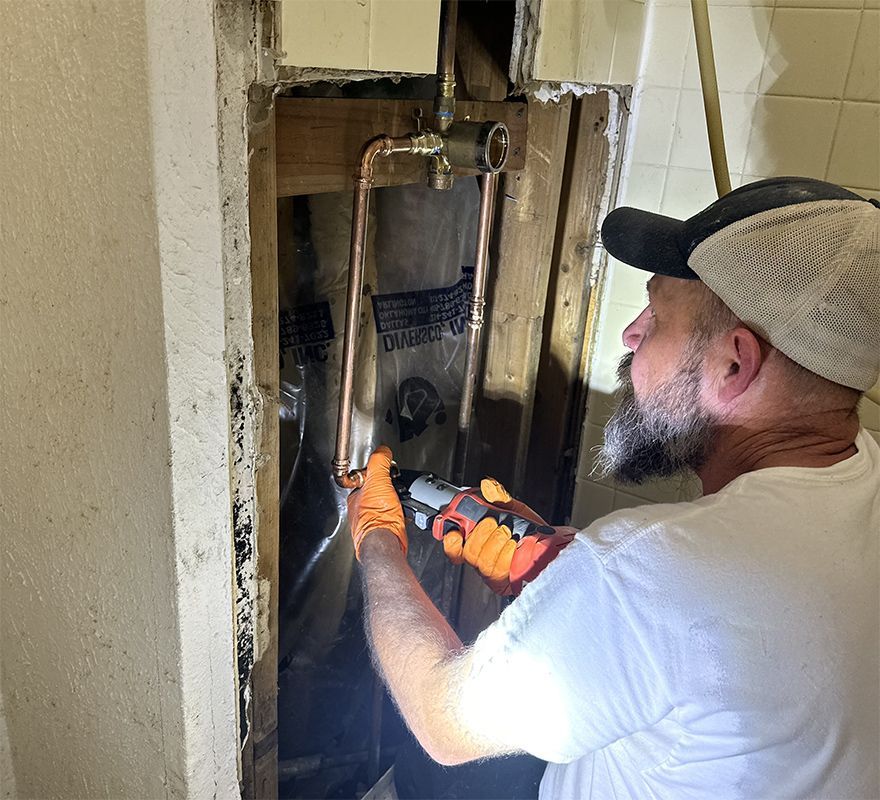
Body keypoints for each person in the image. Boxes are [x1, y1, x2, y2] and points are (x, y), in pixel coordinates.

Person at [347, 177, 880, 799]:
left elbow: (444, 720)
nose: (631, 333)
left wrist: (379, 541)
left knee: (423, 766)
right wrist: (554, 568)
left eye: (657, 313)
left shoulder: (649, 573)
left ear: (734, 364)